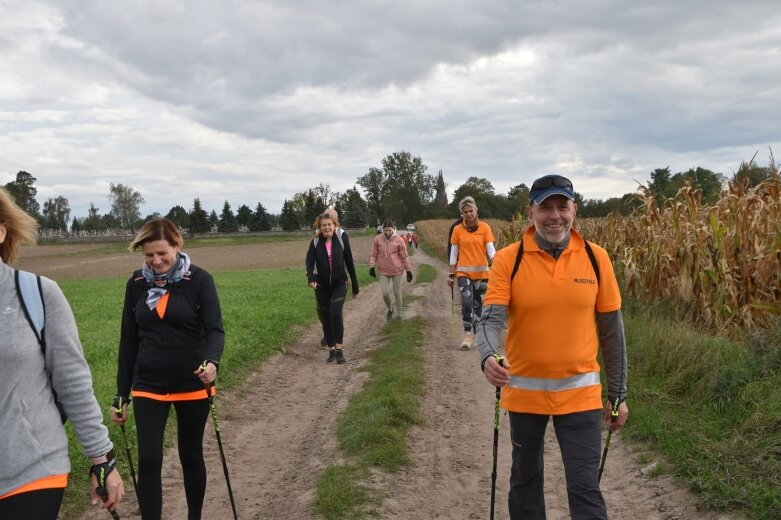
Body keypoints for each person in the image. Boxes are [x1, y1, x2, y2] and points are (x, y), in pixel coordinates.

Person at [474, 174, 629, 520]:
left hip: (581, 397)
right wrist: (487, 356)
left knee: (585, 487)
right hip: (525, 395)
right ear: (530, 212)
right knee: (525, 483)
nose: (555, 216)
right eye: (546, 207)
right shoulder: (508, 260)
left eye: (563, 206)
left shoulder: (596, 258)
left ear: (575, 210)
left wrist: (618, 394)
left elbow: (612, 333)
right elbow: (490, 320)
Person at [0, 188, 124, 519]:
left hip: (30, 470)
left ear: (1, 231)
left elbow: (72, 381)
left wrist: (102, 458)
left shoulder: (36, 294)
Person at [111, 218, 225, 520]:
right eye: (149, 255)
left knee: (190, 455)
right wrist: (121, 393)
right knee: (148, 459)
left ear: (177, 246)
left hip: (192, 381)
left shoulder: (199, 280)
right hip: (149, 383)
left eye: (162, 253)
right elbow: (128, 341)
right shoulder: (137, 284)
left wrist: (212, 362)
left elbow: (215, 330)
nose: (156, 261)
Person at [306, 212, 359, 364]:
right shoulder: (315, 242)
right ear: (319, 227)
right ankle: (331, 350)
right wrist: (311, 279)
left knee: (336, 313)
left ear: (335, 225)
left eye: (329, 224)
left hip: (339, 283)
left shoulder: (341, 240)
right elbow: (309, 262)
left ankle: (340, 350)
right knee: (326, 317)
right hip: (321, 285)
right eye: (324, 225)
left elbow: (349, 262)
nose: (327, 227)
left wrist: (355, 287)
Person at [447, 196, 496, 349]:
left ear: (476, 211)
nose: (469, 214)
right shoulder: (457, 230)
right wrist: (451, 273)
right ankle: (467, 335)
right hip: (463, 272)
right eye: (465, 212)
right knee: (467, 302)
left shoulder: (485, 228)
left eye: (471, 211)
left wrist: (499, 264)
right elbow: (453, 253)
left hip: (482, 274)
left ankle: (479, 334)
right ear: (462, 214)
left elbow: (490, 250)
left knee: (478, 305)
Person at [368, 220, 413, 321]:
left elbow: (404, 257)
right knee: (385, 293)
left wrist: (408, 270)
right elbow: (373, 255)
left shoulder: (399, 240)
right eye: (385, 230)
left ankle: (399, 315)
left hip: (397, 270)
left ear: (393, 229)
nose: (387, 232)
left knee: (397, 292)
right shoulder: (377, 240)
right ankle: (390, 309)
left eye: (389, 230)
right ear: (383, 230)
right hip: (383, 270)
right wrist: (371, 266)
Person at [316, 208, 348, 347]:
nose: (327, 224)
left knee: (336, 309)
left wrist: (347, 276)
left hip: (338, 278)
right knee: (320, 308)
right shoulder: (318, 236)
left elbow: (346, 258)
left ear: (336, 221)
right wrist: (311, 272)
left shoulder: (342, 236)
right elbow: (313, 257)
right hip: (321, 280)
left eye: (331, 219)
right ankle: (327, 331)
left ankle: (336, 334)